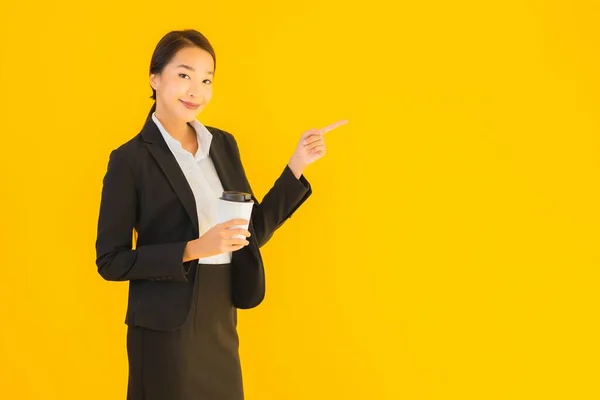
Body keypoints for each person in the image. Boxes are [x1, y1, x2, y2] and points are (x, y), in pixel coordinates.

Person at [94, 29, 347, 400]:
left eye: (206, 79)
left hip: (220, 314)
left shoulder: (223, 144)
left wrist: (297, 166)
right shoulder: (130, 159)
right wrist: (193, 248)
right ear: (154, 77)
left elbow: (251, 231)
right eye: (184, 75)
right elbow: (111, 261)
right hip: (166, 327)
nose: (196, 90)